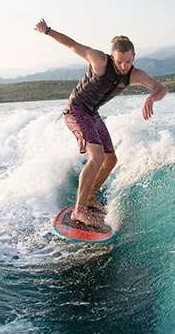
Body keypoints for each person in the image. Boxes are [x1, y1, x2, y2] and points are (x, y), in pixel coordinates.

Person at [34, 19, 168, 228]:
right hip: (76, 110)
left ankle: (90, 197)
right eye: (120, 61)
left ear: (134, 58)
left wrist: (151, 98)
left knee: (110, 159)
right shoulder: (99, 60)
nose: (124, 66)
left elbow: (161, 88)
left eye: (128, 61)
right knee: (96, 156)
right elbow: (72, 44)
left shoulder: (135, 74)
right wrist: (47, 31)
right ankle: (79, 210)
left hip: (93, 114)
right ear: (112, 57)